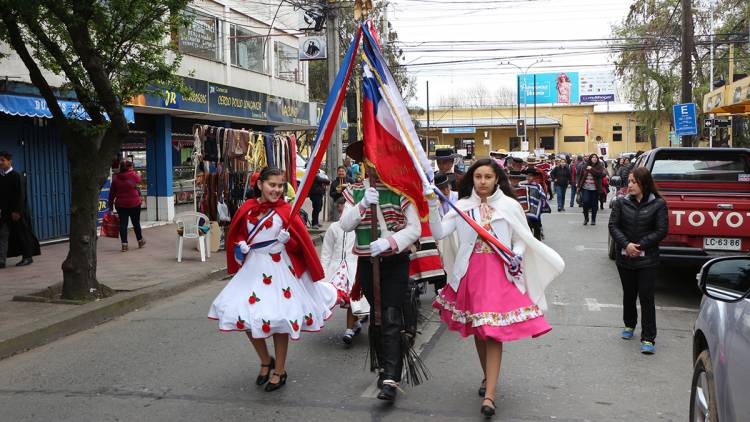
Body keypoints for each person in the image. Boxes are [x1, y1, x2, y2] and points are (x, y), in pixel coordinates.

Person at [426, 158, 564, 418]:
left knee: (492, 333)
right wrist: (433, 204)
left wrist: (517, 255)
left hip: (499, 275)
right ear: (472, 179)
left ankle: (490, 394)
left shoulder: (510, 206)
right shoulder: (462, 206)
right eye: (478, 177)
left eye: (487, 177)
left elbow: (521, 239)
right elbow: (439, 232)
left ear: (496, 178)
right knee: (481, 331)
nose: (482, 182)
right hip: (471, 275)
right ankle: (487, 377)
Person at [208, 167, 337, 391]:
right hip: (252, 269)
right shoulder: (247, 208)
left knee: (279, 321)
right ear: (260, 185)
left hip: (279, 270)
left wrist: (288, 241)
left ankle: (280, 370)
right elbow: (237, 233)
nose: (276, 190)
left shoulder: (288, 211)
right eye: (272, 185)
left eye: (280, 186)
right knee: (243, 316)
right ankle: (265, 360)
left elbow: (299, 246)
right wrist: (240, 244)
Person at [339, 141, 422, 402]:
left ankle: (391, 377)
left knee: (390, 314)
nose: (372, 165)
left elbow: (415, 229)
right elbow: (345, 224)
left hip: (395, 261)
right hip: (367, 262)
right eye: (368, 160)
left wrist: (389, 242)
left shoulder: (402, 191)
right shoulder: (355, 191)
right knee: (376, 315)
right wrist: (363, 205)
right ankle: (384, 365)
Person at [608, 167, 668, 355]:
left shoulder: (658, 204)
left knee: (646, 297)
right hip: (625, 257)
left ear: (644, 183)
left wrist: (640, 246)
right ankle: (629, 324)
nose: (630, 185)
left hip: (647, 259)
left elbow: (661, 230)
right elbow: (613, 226)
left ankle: (649, 337)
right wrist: (627, 245)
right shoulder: (621, 203)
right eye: (629, 182)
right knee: (629, 293)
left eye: (634, 182)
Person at [320, 197, 370, 345]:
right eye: (343, 206)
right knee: (341, 298)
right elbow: (326, 253)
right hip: (336, 269)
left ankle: (349, 329)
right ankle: (354, 324)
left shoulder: (361, 227)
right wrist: (322, 275)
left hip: (355, 267)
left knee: (353, 299)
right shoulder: (334, 228)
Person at [0, 151, 40, 267]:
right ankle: (3, 260)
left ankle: (28, 257)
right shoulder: (1, 177)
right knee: (5, 235)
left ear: (9, 161)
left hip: (18, 212)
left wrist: (17, 211)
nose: (0, 162)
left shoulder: (16, 176)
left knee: (22, 234)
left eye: (3, 160)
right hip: (5, 212)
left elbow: (20, 195)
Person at [108, 161, 145, 252]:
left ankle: (124, 245)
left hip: (121, 205)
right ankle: (140, 241)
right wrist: (134, 172)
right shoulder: (133, 175)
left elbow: (112, 193)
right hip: (134, 203)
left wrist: (110, 205)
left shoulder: (115, 178)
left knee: (123, 224)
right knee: (136, 223)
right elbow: (139, 180)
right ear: (129, 167)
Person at [576, 154, 605, 226]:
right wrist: (578, 186)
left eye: (595, 157)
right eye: (593, 157)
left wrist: (591, 169)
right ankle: (586, 218)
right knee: (585, 202)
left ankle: (593, 219)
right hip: (585, 187)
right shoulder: (585, 166)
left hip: (595, 189)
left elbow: (599, 174)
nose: (594, 159)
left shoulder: (600, 166)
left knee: (594, 204)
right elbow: (581, 176)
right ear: (590, 159)